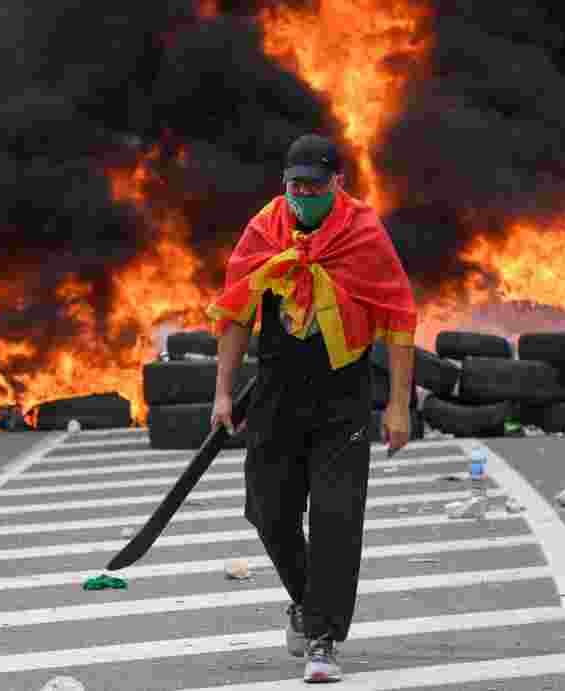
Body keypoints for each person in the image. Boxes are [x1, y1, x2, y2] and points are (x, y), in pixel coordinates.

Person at [205, 134, 418, 683]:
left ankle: (322, 637)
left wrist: (398, 406)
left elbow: (397, 319)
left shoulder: (364, 234)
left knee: (336, 520)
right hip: (277, 392)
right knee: (269, 513)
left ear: (338, 185)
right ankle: (306, 602)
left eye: (315, 186)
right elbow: (235, 314)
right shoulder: (265, 229)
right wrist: (223, 392)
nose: (303, 195)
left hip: (341, 396)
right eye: (295, 185)